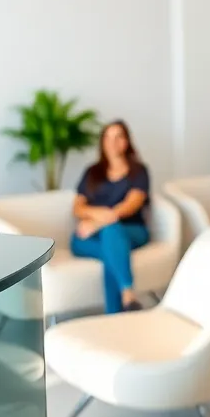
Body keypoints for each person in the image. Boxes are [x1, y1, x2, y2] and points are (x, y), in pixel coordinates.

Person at [71, 120, 152, 314]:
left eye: (118, 137)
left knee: (111, 233)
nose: (112, 142)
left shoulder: (139, 171)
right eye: (107, 137)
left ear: (126, 142)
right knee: (108, 248)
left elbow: (131, 205)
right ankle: (127, 300)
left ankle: (122, 299)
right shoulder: (92, 172)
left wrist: (99, 222)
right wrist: (96, 217)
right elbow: (77, 207)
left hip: (131, 230)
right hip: (91, 233)